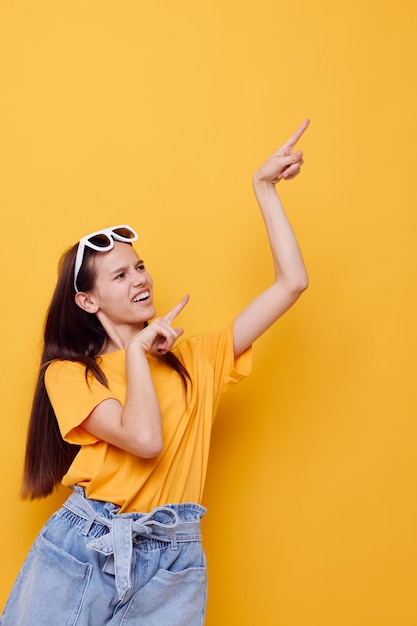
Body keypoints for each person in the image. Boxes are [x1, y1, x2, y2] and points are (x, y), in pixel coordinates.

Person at [1, 119, 309, 626]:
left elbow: (292, 283)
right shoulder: (69, 373)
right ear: (88, 300)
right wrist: (140, 354)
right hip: (86, 544)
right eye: (120, 275)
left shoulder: (199, 360)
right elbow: (144, 439)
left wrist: (265, 188)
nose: (140, 279)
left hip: (172, 559)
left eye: (139, 267)